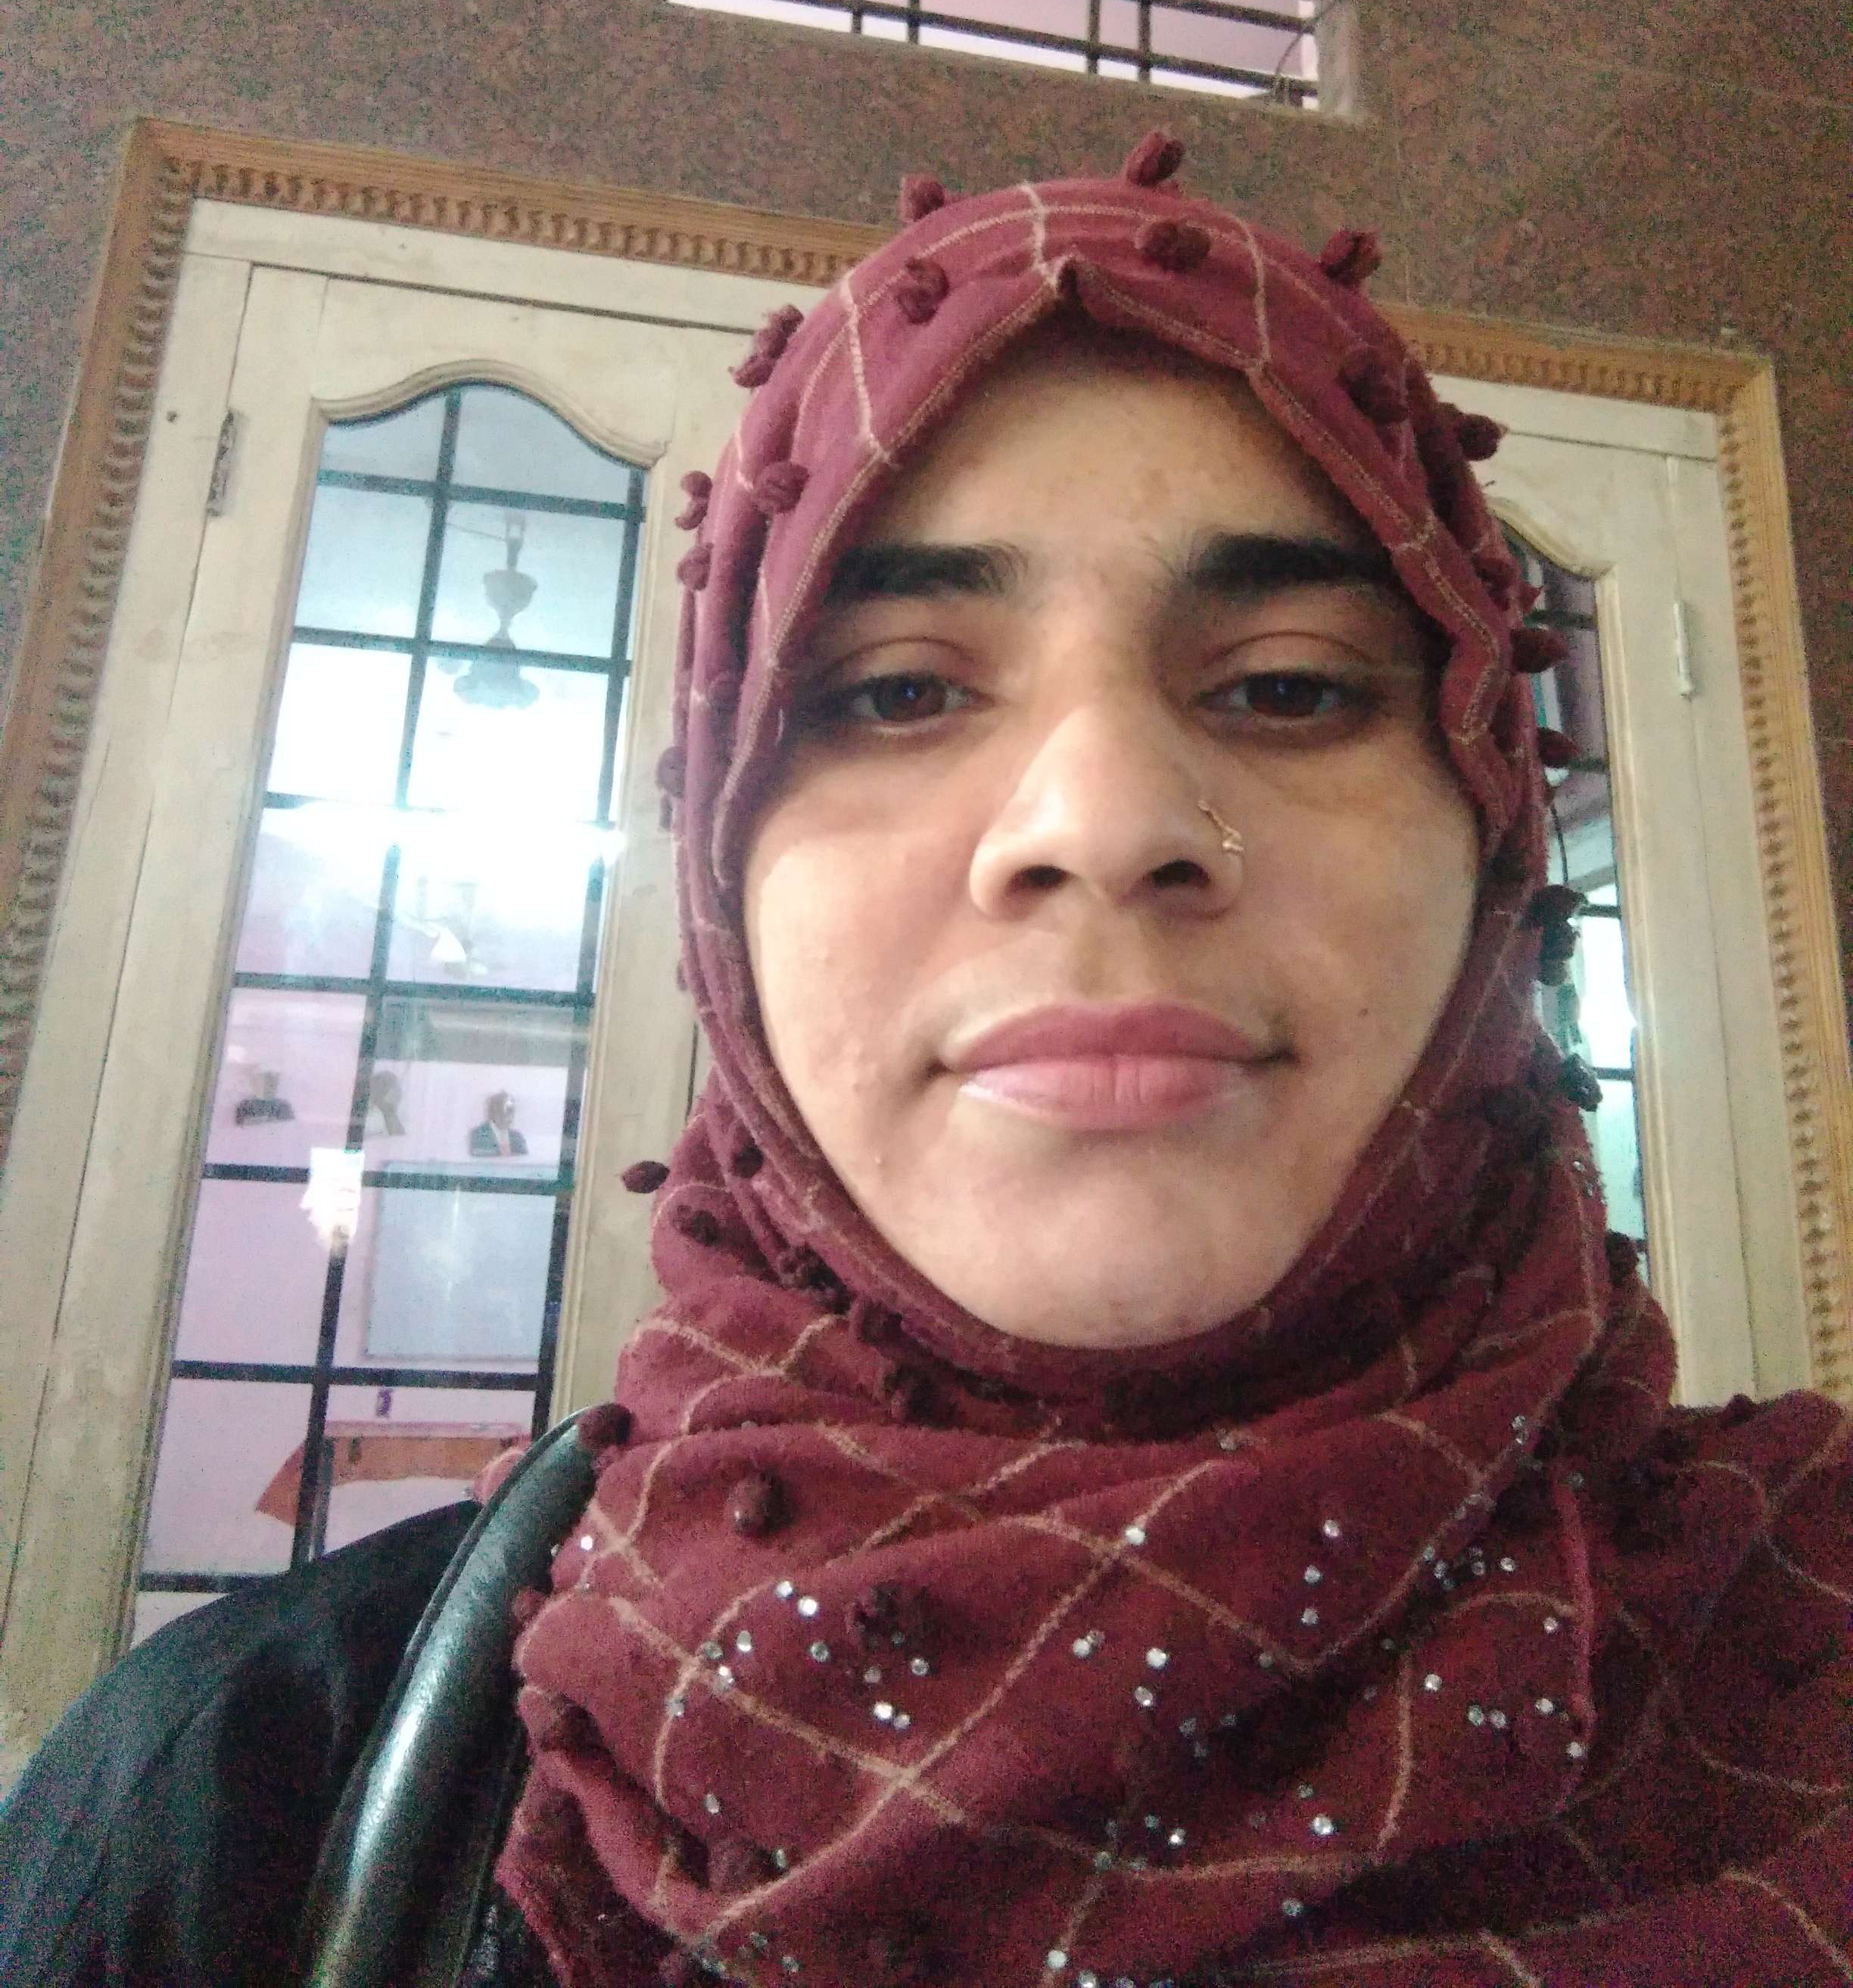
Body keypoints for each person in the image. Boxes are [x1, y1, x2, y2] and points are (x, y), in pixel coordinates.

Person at [3, 139, 1848, 1986]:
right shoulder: (232, 1805)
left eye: (1290, 684)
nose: (1102, 824)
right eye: (897, 689)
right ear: (721, 866)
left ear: (1496, 836)